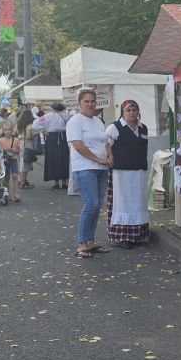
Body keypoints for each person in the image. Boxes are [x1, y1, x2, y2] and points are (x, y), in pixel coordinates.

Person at [68, 88, 111, 258]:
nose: (90, 104)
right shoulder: (75, 121)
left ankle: (91, 242)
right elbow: (78, 146)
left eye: (93, 101)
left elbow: (106, 142)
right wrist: (97, 159)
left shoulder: (98, 121)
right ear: (79, 104)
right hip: (85, 168)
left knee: (97, 205)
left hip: (101, 169)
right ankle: (81, 244)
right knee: (90, 204)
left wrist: (109, 157)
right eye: (86, 101)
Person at [105, 100, 151, 248]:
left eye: (134, 110)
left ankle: (139, 234)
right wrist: (110, 157)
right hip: (122, 172)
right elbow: (106, 144)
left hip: (139, 171)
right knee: (123, 203)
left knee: (138, 202)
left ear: (138, 112)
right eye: (128, 110)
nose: (132, 113)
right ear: (123, 113)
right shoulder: (115, 127)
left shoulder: (143, 128)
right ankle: (124, 236)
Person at [38, 102, 71, 189]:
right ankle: (64, 183)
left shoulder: (46, 116)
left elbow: (36, 123)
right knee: (64, 159)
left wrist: (42, 130)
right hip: (64, 138)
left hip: (51, 138)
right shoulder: (68, 116)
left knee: (53, 159)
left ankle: (56, 183)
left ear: (53, 108)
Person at [0, 125, 21, 202]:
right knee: (6, 178)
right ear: (3, 131)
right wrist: (5, 152)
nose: (8, 131)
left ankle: (16, 194)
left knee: (15, 176)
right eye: (6, 130)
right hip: (5, 161)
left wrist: (14, 152)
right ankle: (7, 193)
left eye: (9, 129)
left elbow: (18, 150)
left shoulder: (16, 140)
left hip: (13, 160)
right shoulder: (0, 140)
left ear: (12, 130)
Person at [15, 106, 36, 188]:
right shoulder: (29, 125)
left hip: (19, 143)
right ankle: (22, 182)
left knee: (21, 163)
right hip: (27, 145)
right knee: (25, 164)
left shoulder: (18, 124)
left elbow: (15, 133)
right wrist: (34, 135)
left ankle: (21, 180)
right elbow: (28, 137)